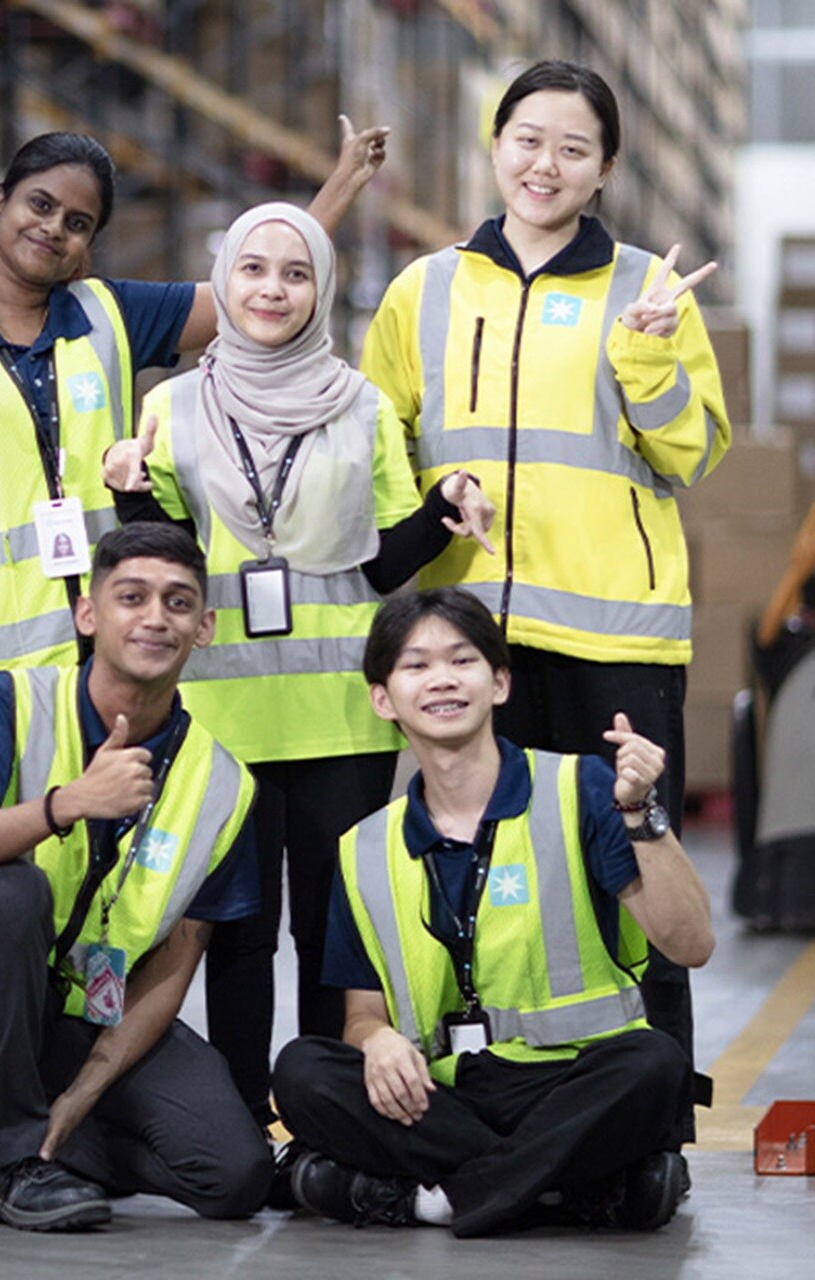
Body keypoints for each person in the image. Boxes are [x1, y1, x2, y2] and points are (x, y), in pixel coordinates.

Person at [358, 59, 729, 1126]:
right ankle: (502, 1102)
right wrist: (434, 499)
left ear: (604, 169)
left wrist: (648, 360)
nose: (545, 165)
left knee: (633, 867)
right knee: (485, 868)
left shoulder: (646, 292)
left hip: (614, 641)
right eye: (527, 139)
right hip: (472, 641)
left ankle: (652, 1119)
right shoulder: (424, 291)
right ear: (494, 146)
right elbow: (377, 448)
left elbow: (694, 453)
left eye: (573, 148)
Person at [103, 202, 495, 1134]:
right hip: (221, 720)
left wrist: (444, 500)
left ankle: (324, 1124)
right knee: (235, 931)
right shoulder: (171, 408)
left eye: (296, 272)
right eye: (253, 269)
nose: (272, 290)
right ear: (224, 280)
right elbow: (166, 564)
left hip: (342, 721)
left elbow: (384, 564)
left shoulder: (360, 405)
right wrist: (128, 493)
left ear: (321, 288)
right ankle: (244, 1119)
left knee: (330, 933)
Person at [0, 122, 389, 756]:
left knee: (110, 816)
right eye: (40, 204)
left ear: (88, 243)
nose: (53, 228)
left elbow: (252, 289)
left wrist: (342, 184)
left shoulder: (110, 315)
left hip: (112, 660)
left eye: (78, 223)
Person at [271, 586, 715, 1237]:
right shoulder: (364, 849)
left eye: (463, 660)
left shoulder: (580, 788)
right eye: (417, 665)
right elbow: (362, 1014)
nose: (442, 679)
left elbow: (692, 945)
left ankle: (434, 1200)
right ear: (382, 699)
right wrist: (377, 1040)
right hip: (442, 1094)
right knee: (303, 1071)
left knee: (656, 1065)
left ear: (499, 683)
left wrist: (641, 814)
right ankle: (568, 1189)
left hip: (570, 1081)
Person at [0, 523, 270, 1232]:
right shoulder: (8, 702)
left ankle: (29, 1135)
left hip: (82, 1017)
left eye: (179, 602)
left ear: (205, 627)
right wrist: (68, 804)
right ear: (88, 614)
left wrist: (84, 1093)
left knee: (234, 1174)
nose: (156, 617)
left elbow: (172, 971)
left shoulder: (223, 786)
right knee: (12, 891)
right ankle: (7, 1163)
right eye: (132, 597)